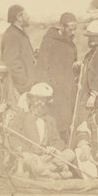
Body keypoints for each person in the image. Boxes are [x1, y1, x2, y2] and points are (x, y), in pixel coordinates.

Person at [9, 83, 75, 179]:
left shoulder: (50, 120)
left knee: (70, 153)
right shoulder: (21, 117)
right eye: (37, 100)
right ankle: (54, 174)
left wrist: (54, 148)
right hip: (31, 155)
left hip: (47, 157)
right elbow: (13, 138)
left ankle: (45, 171)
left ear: (47, 102)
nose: (40, 103)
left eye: (43, 100)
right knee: (30, 160)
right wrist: (29, 150)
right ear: (31, 100)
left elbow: (58, 141)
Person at [36, 12, 78, 143]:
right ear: (62, 27)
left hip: (67, 92)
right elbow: (42, 68)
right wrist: (47, 93)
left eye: (75, 29)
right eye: (71, 29)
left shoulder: (72, 45)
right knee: (53, 125)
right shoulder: (49, 42)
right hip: (53, 93)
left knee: (66, 126)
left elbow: (72, 65)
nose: (74, 32)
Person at [1, 5, 36, 94]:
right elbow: (11, 64)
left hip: (22, 89)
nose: (29, 17)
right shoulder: (12, 35)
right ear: (19, 17)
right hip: (18, 90)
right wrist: (26, 83)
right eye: (26, 14)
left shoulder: (19, 33)